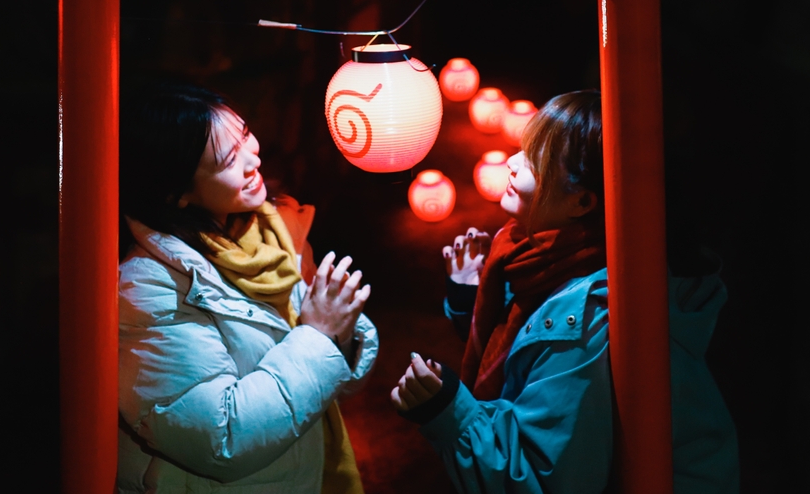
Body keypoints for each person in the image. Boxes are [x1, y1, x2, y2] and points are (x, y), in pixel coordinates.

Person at [391, 90, 738, 494]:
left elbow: (544, 477)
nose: (511, 162)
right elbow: (530, 344)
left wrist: (449, 411)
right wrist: (473, 302)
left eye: (533, 159)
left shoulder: (588, 322)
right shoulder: (560, 257)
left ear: (582, 201)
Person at [117, 83, 377, 494]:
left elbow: (327, 388)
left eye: (244, 135)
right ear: (178, 193)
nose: (252, 159)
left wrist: (340, 336)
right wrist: (318, 335)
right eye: (227, 159)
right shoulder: (150, 288)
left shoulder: (270, 235)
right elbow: (220, 438)